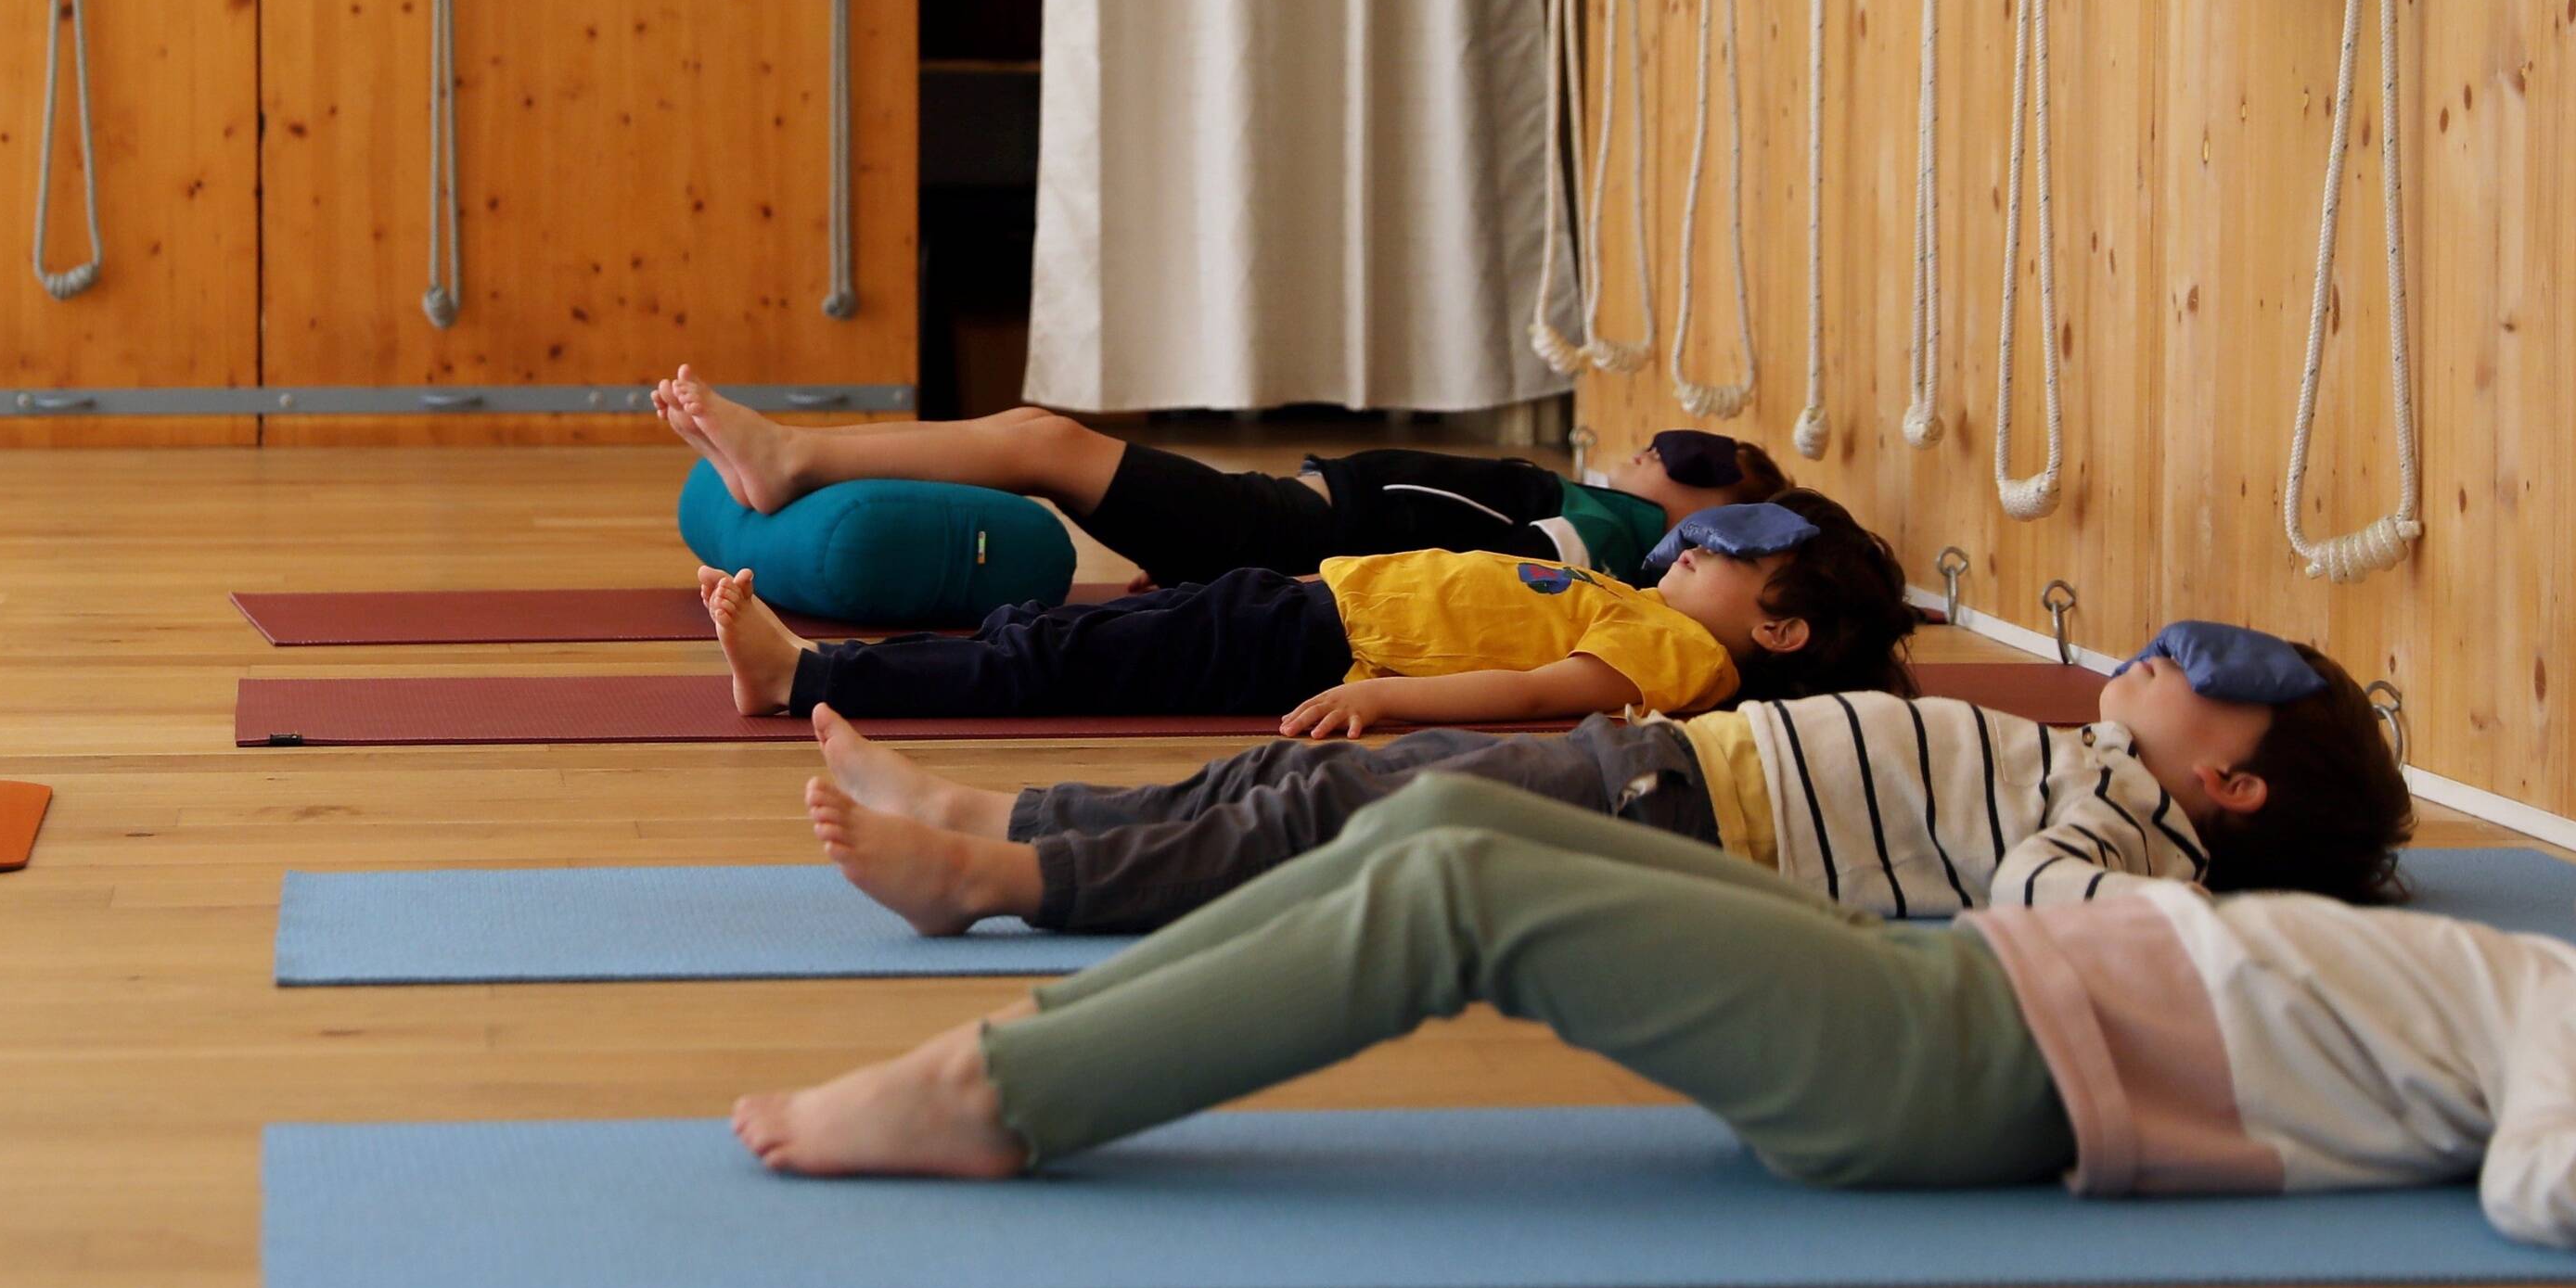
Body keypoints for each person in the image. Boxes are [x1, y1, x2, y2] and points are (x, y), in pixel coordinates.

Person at [730, 771, 2576, 1255]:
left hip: (1959, 1074)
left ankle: (998, 1097)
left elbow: (2552, 1191)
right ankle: (1051, 1034)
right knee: (1434, 814)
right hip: (1955, 988)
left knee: (1449, 902)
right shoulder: (2552, 963)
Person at [797, 617, 2411, 938]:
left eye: (2222, 687)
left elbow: (2041, 897)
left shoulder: (2124, 818)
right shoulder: (2105, 760)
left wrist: (2192, 904)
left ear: (2234, 785)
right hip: (1658, 766)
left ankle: (1009, 884)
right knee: (1285, 780)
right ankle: (1003, 817)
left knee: (1327, 828)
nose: (2171, 664)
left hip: (1685, 818)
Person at [701, 494, 1905, 733]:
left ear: (1781, 626)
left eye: (1731, 552)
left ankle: (813, 679)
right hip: (1306, 605)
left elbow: (1545, 692)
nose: (1692, 547)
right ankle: (810, 671)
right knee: (1063, 641)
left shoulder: (1679, 649)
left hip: (1320, 642)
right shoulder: (1656, 606)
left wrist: (1385, 697)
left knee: (1051, 654)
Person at [657, 365, 1772, 580]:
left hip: (1283, 537)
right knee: (1042, 443)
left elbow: (1460, 568)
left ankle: (793, 453)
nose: (1658, 450)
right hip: (1281, 524)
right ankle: (790, 455)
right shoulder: (1600, 516)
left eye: (1695, 461)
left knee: (1045, 442)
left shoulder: (1616, 541)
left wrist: (1278, 579)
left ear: (1711, 517)